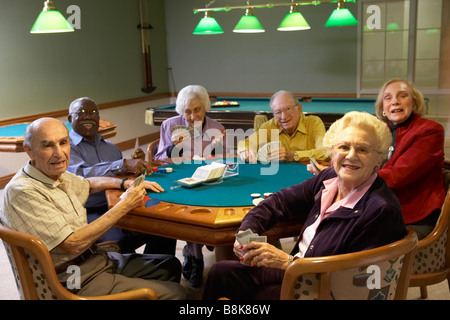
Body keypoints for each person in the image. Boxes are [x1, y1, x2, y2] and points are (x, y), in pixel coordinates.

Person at [203, 111, 406, 300]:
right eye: (343, 147)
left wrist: (287, 262)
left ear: (379, 159)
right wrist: (247, 231)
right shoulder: (329, 177)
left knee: (255, 294)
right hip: (296, 269)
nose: (351, 155)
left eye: (362, 149)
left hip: (321, 289)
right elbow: (279, 201)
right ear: (332, 152)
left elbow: (358, 280)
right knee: (220, 272)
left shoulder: (382, 210)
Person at [0, 118, 186, 299]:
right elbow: (73, 244)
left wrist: (124, 183)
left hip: (95, 258)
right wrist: (125, 205)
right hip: (72, 278)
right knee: (177, 294)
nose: (59, 153)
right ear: (29, 150)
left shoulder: (53, 173)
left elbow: (88, 183)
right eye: (48, 146)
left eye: (63, 143)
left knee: (170, 265)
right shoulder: (22, 191)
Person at [67, 97, 176, 255]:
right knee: (119, 241)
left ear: (99, 118)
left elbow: (122, 177)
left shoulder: (111, 148)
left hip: (123, 204)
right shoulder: (66, 148)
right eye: (81, 113)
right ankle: (127, 274)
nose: (88, 117)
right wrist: (123, 164)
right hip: (90, 211)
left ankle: (156, 272)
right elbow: (81, 176)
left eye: (93, 113)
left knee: (165, 227)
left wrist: (137, 165)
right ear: (70, 119)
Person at [154, 85, 225, 288]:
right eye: (187, 111)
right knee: (191, 207)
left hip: (208, 180)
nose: (192, 116)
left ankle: (197, 245)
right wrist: (172, 148)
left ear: (205, 109)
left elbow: (222, 161)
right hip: (178, 181)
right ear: (180, 111)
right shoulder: (169, 125)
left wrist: (215, 153)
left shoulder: (216, 127)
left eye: (197, 110)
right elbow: (159, 159)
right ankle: (196, 257)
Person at [375, 79, 446, 239]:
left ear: (414, 102)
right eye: (388, 98)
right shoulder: (380, 132)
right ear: (383, 108)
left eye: (402, 95)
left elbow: (399, 174)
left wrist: (356, 177)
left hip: (414, 217)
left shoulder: (430, 131)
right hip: (381, 208)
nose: (395, 101)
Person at [237, 90, 328, 163]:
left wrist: (293, 155)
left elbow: (325, 152)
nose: (283, 117)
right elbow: (246, 143)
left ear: (299, 109)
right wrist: (245, 152)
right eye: (278, 112)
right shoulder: (269, 126)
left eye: (288, 109)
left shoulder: (314, 123)